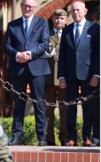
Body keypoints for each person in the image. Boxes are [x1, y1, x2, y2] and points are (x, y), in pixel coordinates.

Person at [4, 0, 50, 146]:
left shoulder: (42, 23)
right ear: (21, 7)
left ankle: (41, 137)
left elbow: (45, 43)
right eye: (25, 5)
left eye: (30, 6)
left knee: (38, 102)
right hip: (18, 68)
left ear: (35, 8)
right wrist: (18, 55)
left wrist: (29, 54)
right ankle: (16, 136)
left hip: (37, 68)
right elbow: (6, 46)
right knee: (18, 103)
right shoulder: (13, 25)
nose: (28, 8)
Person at [58, 0, 100, 146]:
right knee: (70, 107)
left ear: (85, 11)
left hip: (88, 75)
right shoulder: (67, 30)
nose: (75, 13)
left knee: (88, 107)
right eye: (73, 10)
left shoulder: (95, 28)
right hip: (70, 75)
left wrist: (97, 74)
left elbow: (97, 54)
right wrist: (61, 76)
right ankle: (71, 137)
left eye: (78, 10)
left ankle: (87, 137)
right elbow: (62, 54)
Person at [44, 9, 69, 146]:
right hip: (49, 78)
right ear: (52, 19)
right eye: (56, 18)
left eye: (62, 18)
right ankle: (49, 138)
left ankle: (64, 137)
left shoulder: (70, 34)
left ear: (66, 20)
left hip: (64, 79)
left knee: (64, 110)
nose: (59, 20)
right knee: (48, 110)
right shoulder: (46, 34)